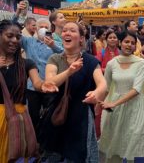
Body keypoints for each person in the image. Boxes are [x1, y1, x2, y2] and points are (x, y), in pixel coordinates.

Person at [41, 22, 107, 162]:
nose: (67, 33)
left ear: (81, 38)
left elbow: (102, 85)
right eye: (64, 30)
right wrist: (69, 71)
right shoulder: (55, 58)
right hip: (57, 115)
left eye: (72, 30)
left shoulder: (90, 61)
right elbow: (50, 82)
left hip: (81, 116)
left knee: (78, 155)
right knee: (54, 153)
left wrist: (96, 94)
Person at [0, 20, 57, 162]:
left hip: (15, 120)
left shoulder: (26, 64)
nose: (14, 40)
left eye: (18, 37)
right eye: (9, 36)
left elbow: (37, 83)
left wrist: (43, 86)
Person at [98, 31, 144, 162]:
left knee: (133, 143)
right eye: (126, 42)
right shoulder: (112, 64)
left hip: (135, 107)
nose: (129, 45)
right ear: (120, 43)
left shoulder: (141, 63)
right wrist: (98, 105)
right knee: (114, 145)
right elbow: (106, 88)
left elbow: (136, 89)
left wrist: (114, 103)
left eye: (132, 43)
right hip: (114, 110)